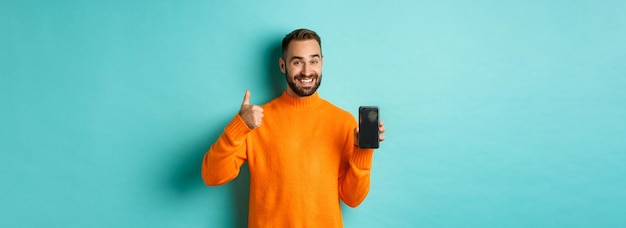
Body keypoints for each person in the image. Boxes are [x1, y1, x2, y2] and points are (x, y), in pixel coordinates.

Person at [202, 28, 386, 227]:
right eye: (297, 62)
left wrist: (363, 152)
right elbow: (212, 176)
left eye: (313, 61)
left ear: (322, 62)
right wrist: (239, 126)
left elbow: (353, 198)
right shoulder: (255, 121)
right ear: (283, 65)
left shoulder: (343, 122)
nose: (307, 71)